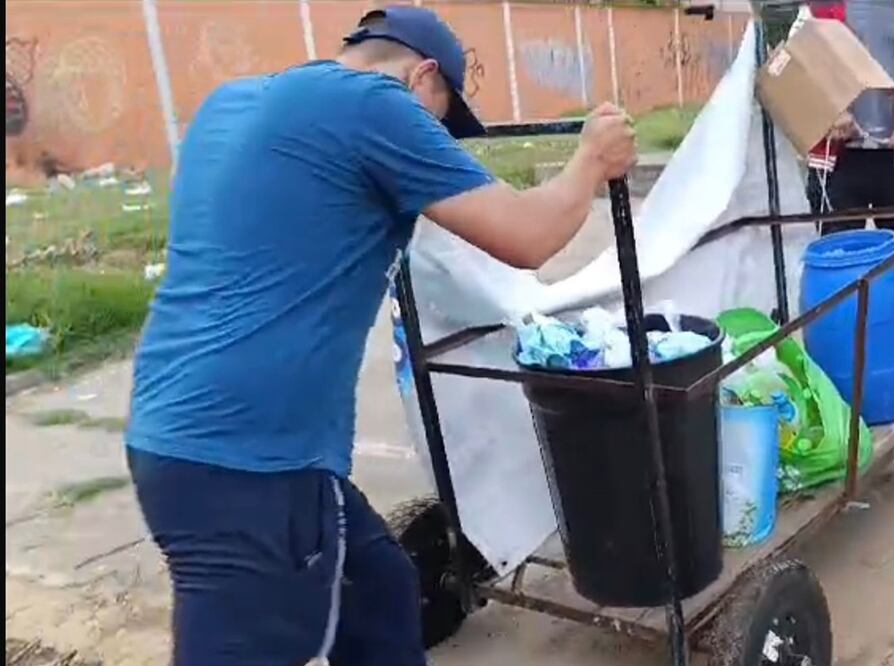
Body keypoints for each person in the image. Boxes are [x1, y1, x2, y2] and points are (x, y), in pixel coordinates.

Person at [124, 6, 636, 666]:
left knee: (379, 590)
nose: (436, 141)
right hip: (252, 464)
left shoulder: (233, 105)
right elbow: (527, 236)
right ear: (420, 75)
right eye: (441, 120)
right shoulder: (372, 103)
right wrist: (591, 160)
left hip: (178, 435)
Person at [796, 0, 894, 244]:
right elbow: (799, 61)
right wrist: (831, 112)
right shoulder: (819, 6)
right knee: (839, 254)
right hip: (838, 158)